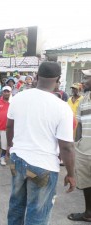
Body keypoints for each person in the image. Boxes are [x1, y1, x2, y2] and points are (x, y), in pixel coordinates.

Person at [6, 61, 76, 225]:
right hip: (43, 166)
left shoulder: (18, 97)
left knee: (15, 207)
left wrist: (10, 146)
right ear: (58, 80)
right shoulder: (62, 107)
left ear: (36, 77)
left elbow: (10, 125)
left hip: (17, 161)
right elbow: (66, 146)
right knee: (37, 216)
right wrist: (71, 174)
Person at [67, 69, 91, 223]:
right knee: (86, 183)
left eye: (88, 78)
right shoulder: (84, 99)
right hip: (84, 150)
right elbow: (79, 125)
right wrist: (77, 145)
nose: (84, 80)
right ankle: (88, 213)